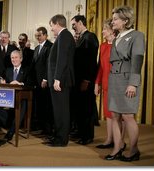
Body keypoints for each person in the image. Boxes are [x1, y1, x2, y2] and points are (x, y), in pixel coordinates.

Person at [105, 6, 145, 161]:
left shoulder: (137, 36)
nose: (112, 21)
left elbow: (137, 61)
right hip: (114, 79)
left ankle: (134, 150)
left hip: (128, 80)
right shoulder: (116, 37)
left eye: (115, 19)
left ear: (126, 20)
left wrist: (133, 83)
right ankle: (117, 147)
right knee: (115, 115)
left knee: (128, 116)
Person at [43, 14, 75, 147]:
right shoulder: (63, 36)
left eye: (51, 26)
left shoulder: (65, 35)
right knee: (58, 110)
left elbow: (62, 59)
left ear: (57, 24)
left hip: (60, 80)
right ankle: (58, 136)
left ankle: (61, 139)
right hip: (59, 79)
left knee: (61, 110)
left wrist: (57, 79)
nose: (51, 29)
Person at [95, 19, 125, 149]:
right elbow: (101, 67)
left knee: (119, 115)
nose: (102, 31)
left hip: (118, 84)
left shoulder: (119, 45)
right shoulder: (102, 46)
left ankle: (120, 143)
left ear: (112, 31)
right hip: (106, 84)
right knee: (108, 114)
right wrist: (97, 83)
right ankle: (109, 139)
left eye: (105, 29)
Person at [70, 15, 99, 145]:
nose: (73, 27)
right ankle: (81, 133)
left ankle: (87, 136)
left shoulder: (90, 37)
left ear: (80, 23)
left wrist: (87, 80)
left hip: (85, 80)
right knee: (80, 108)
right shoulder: (82, 38)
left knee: (87, 109)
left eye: (74, 24)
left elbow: (91, 61)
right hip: (79, 79)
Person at [0, 50, 31, 141]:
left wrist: (20, 83)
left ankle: (11, 132)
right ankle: (7, 125)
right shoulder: (7, 70)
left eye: (16, 57)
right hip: (8, 97)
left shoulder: (27, 70)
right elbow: (2, 79)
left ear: (21, 59)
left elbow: (30, 83)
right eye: (12, 58)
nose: (14, 59)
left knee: (21, 106)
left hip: (22, 97)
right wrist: (2, 81)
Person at [31, 26, 53, 135]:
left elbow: (49, 65)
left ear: (45, 35)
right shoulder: (36, 48)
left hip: (45, 82)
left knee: (47, 106)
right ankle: (42, 128)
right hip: (37, 82)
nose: (38, 38)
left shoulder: (50, 47)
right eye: (36, 36)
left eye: (39, 35)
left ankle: (48, 130)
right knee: (39, 106)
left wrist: (45, 78)